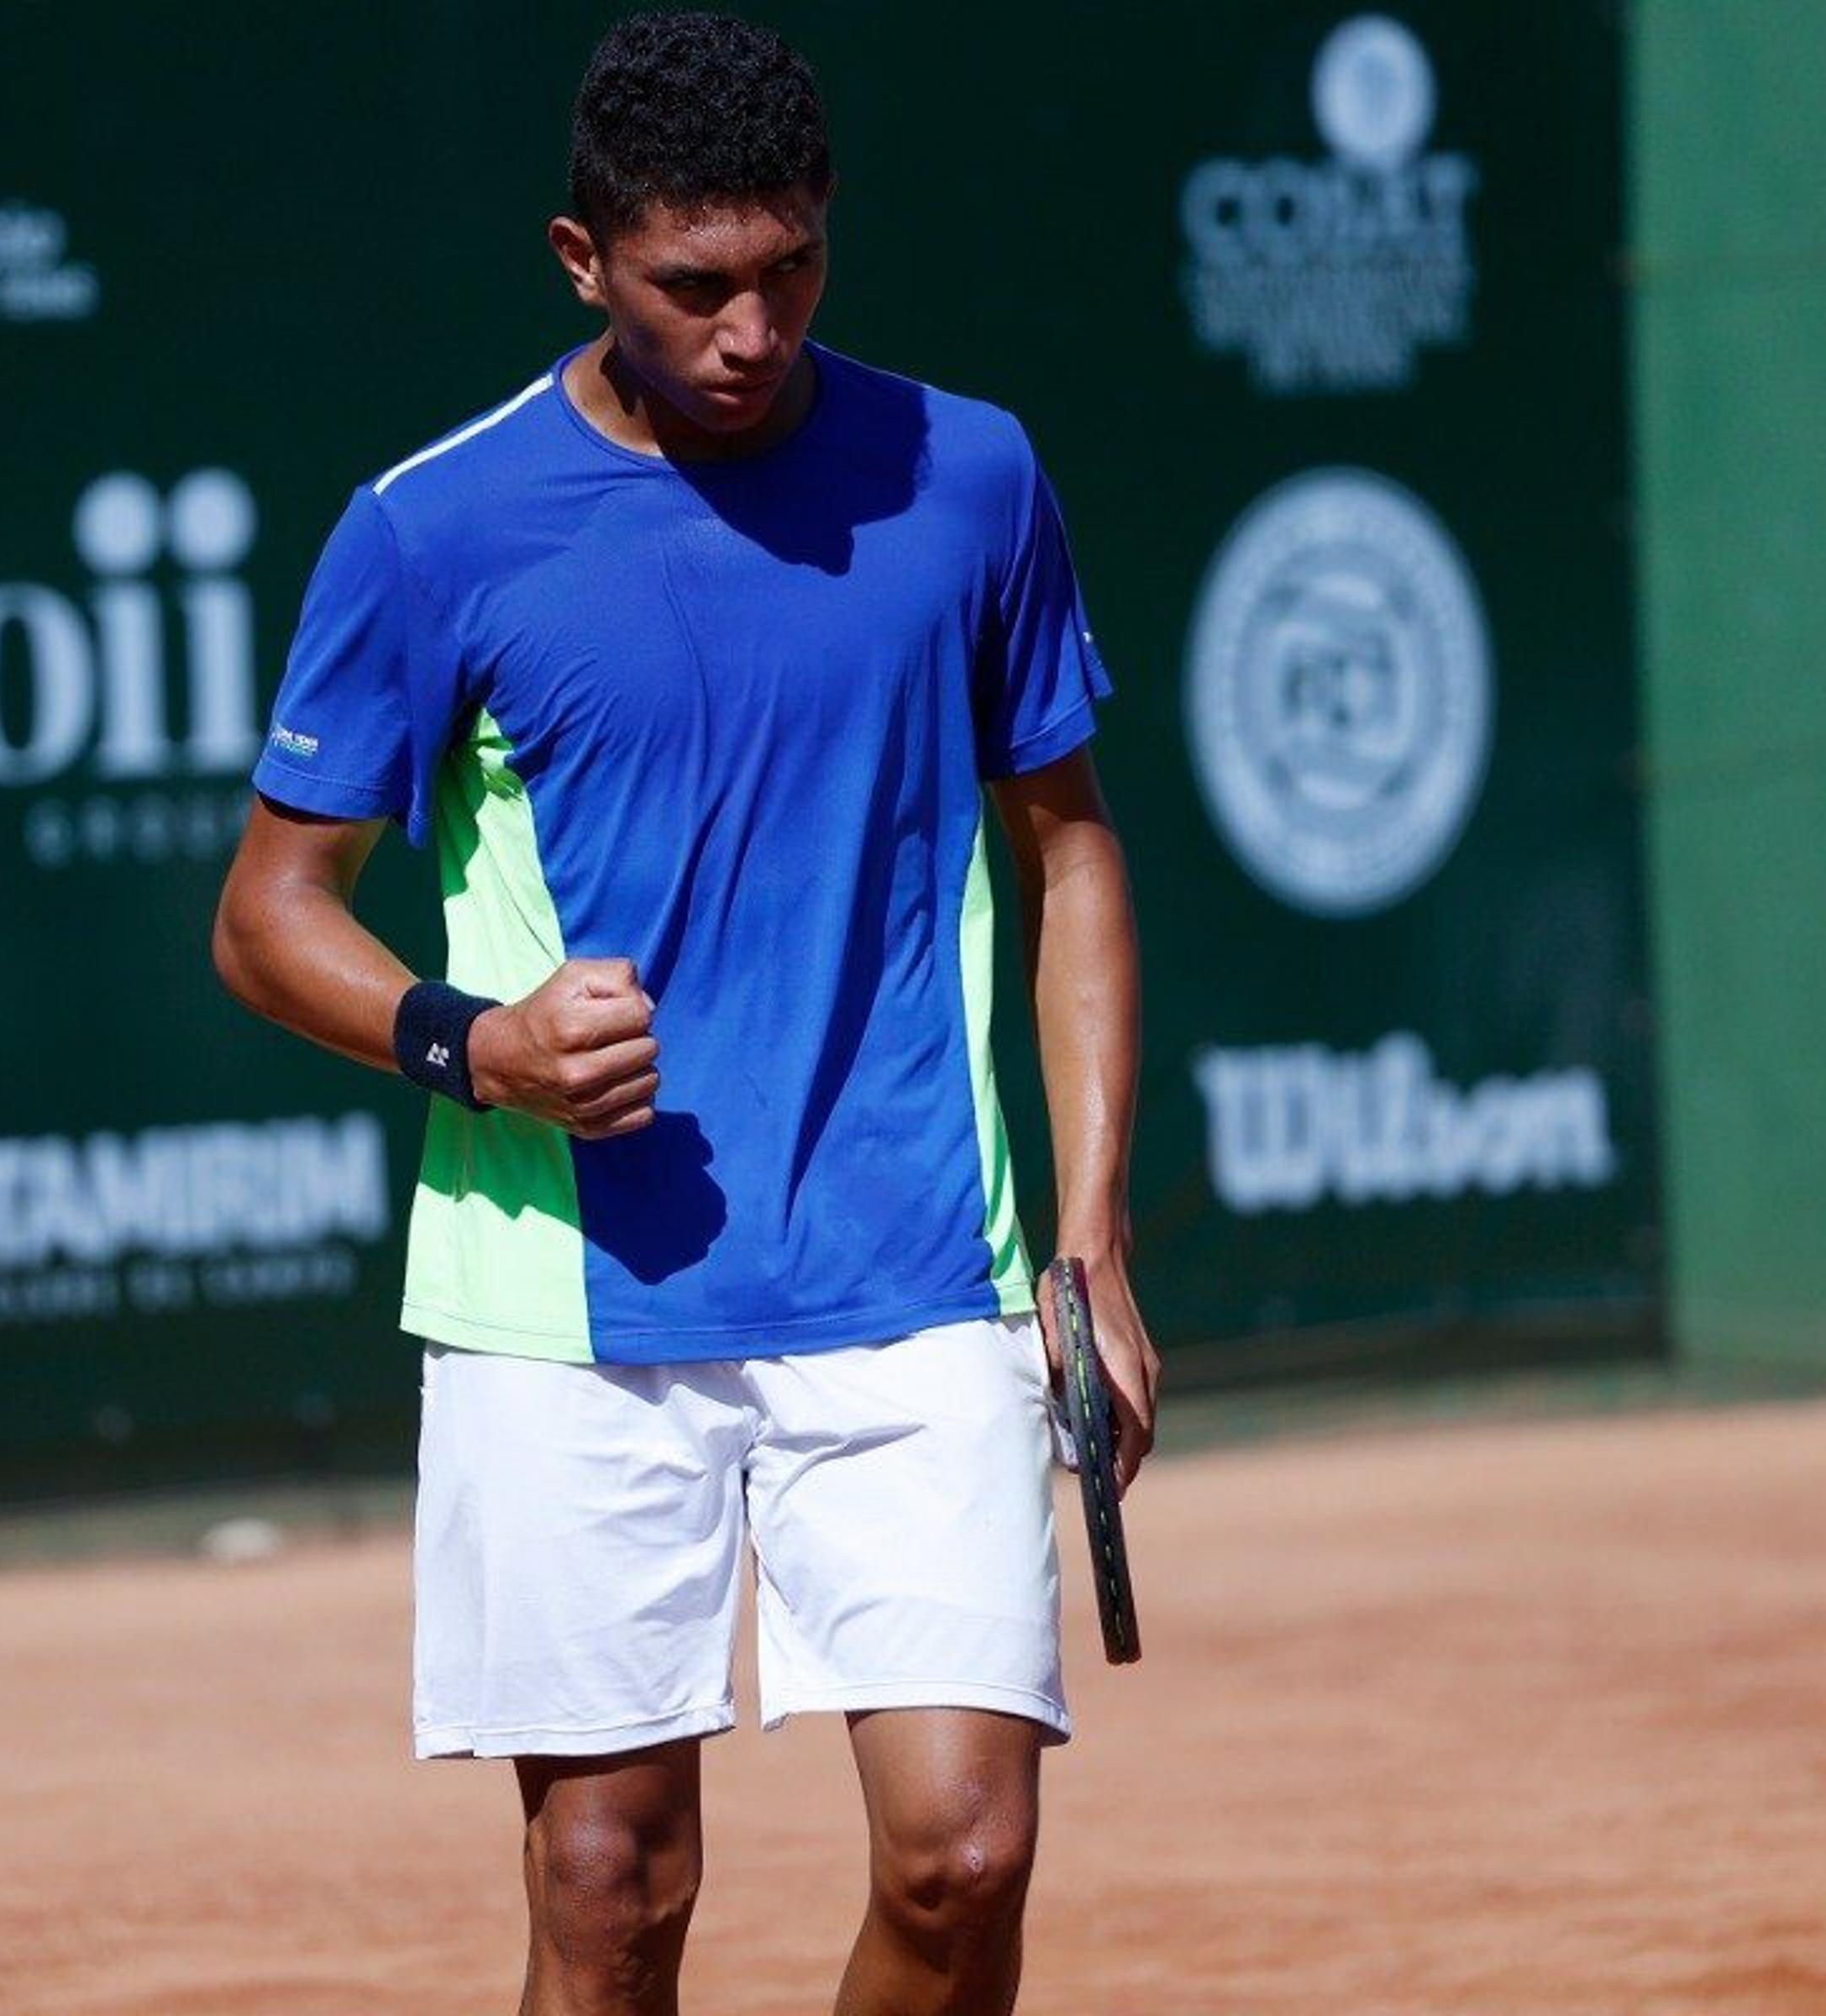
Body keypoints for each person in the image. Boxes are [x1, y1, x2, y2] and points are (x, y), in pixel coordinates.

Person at [211, 13, 1157, 2012]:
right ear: (582, 261)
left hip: (918, 1274)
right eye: (692, 285)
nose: (751, 329)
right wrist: (474, 1043)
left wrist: (1091, 1244)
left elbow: (1071, 853)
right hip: (566, 1310)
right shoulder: (432, 527)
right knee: (608, 1887)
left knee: (967, 1857)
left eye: (792, 268)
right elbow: (269, 914)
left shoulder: (969, 476)